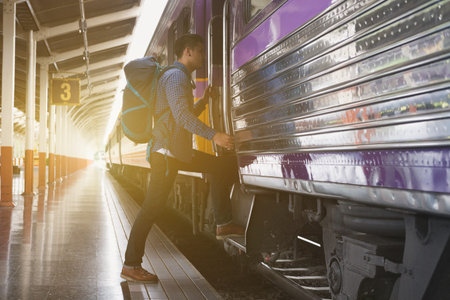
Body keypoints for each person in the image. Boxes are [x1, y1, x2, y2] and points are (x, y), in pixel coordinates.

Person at [120, 34, 245, 283]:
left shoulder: (177, 77)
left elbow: (181, 112)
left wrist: (205, 101)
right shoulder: (176, 77)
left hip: (175, 153)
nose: (202, 57)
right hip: (168, 155)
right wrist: (215, 136)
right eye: (200, 52)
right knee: (151, 208)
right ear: (188, 52)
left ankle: (223, 223)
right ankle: (131, 264)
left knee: (221, 165)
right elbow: (182, 118)